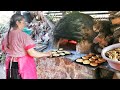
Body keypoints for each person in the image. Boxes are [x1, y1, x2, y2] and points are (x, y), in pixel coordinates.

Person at [1, 14, 52, 79]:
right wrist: (46, 54)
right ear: (17, 22)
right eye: (23, 22)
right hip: (22, 65)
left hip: (10, 65)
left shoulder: (5, 35)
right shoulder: (23, 36)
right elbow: (32, 53)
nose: (24, 24)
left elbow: (3, 49)